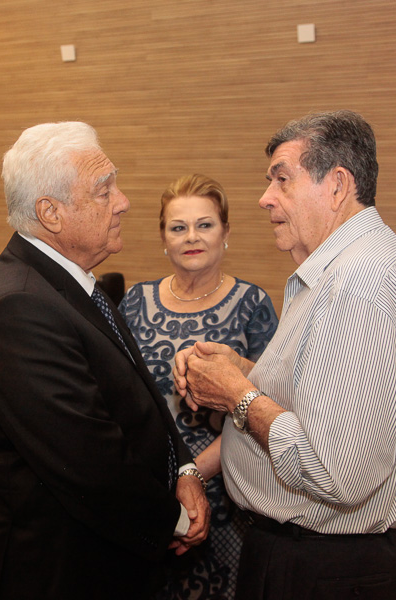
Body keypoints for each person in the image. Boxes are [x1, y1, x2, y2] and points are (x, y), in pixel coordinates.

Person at [173, 110, 396, 600]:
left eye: (282, 180)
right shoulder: (340, 271)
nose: (265, 198)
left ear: (337, 186)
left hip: (322, 566)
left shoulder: (359, 284)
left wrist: (237, 395)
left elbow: (336, 471)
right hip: (310, 555)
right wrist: (238, 370)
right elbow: (317, 393)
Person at [0, 121, 210, 600]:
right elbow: (90, 464)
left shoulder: (70, 281)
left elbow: (140, 393)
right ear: (50, 213)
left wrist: (182, 469)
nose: (123, 201)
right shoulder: (18, 308)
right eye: (104, 190)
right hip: (67, 572)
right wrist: (176, 521)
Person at [119, 174, 279, 599]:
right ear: (163, 238)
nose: (192, 237)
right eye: (178, 227)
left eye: (205, 225)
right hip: (149, 492)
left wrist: (191, 475)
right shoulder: (134, 302)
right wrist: (163, 480)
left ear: (226, 232)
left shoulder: (253, 305)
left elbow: (267, 407)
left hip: (228, 493)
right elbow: (120, 398)